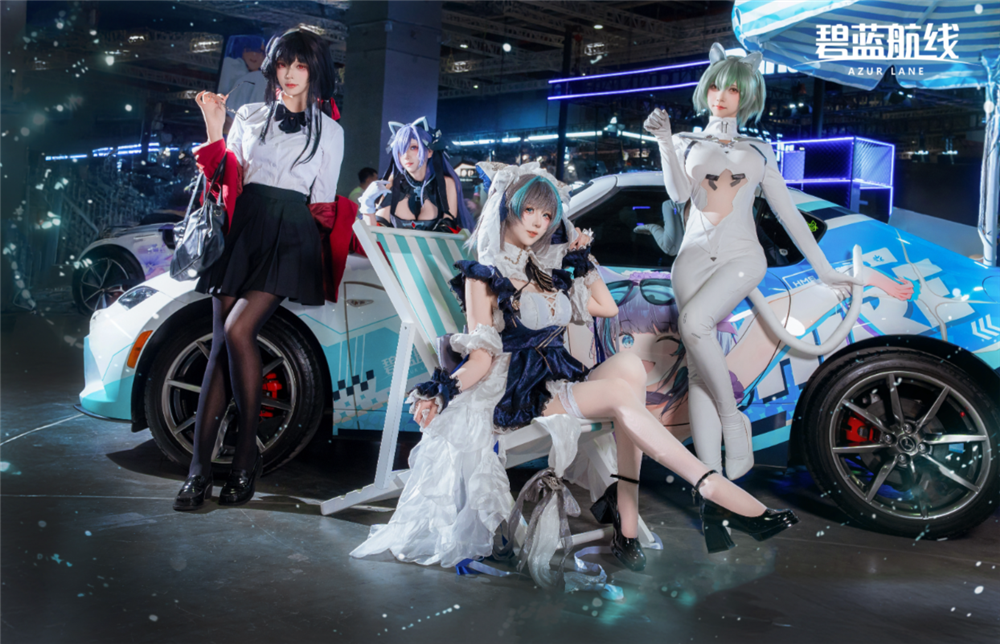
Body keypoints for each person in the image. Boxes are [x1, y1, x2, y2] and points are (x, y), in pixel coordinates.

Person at [350, 162, 797, 577]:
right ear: (508, 207)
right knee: (620, 395)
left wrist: (581, 255)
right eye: (529, 210)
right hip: (517, 392)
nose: (537, 223)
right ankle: (710, 488)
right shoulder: (483, 274)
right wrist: (443, 389)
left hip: (554, 379)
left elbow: (604, 307)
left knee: (630, 368)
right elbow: (482, 354)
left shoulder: (541, 268)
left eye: (547, 216)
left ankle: (627, 520)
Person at [643, 43, 863, 480]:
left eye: (733, 90)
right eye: (716, 87)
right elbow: (679, 195)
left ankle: (733, 421)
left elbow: (788, 214)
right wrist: (665, 142)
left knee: (694, 325)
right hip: (691, 260)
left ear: (747, 97)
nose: (721, 97)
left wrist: (824, 268)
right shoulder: (685, 141)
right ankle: (709, 479)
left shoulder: (760, 150)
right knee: (698, 371)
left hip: (743, 256)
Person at [172, 25, 344, 511]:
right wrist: (214, 126)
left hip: (289, 233)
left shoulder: (330, 131)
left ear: (314, 71)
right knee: (219, 347)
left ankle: (246, 457)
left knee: (237, 330)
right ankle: (199, 472)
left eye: (300, 65)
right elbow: (225, 177)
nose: (290, 73)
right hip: (243, 229)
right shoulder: (248, 115)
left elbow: (323, 202)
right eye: (284, 64)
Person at [357, 118, 474, 232]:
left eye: (413, 147)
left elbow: (449, 228)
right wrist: (367, 206)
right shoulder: (393, 182)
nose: (406, 156)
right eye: (401, 150)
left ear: (429, 151)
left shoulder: (445, 183)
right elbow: (375, 232)